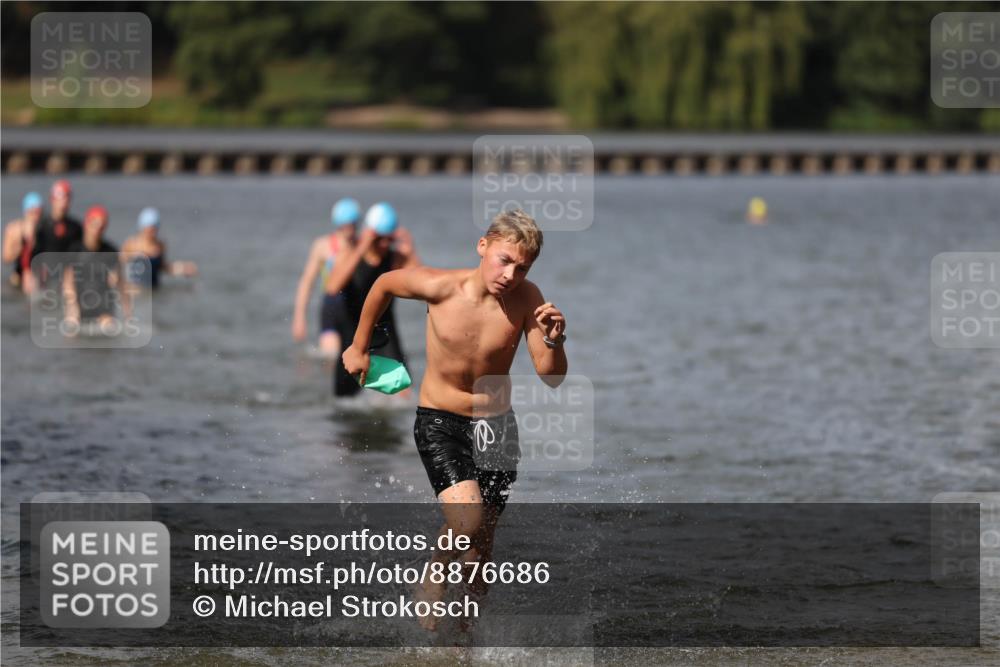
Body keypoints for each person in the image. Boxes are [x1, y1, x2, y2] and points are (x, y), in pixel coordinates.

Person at [341, 209, 568, 630]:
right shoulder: (441, 287)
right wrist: (360, 346)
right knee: (467, 522)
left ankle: (462, 643)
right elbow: (384, 284)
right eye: (504, 260)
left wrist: (554, 338)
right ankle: (434, 571)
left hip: (497, 428)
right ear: (483, 247)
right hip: (441, 421)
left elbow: (551, 377)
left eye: (523, 267)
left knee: (481, 551)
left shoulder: (528, 299)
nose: (510, 274)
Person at [325, 202, 420, 397]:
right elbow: (332, 288)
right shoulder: (350, 254)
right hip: (352, 331)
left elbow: (422, 290)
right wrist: (361, 248)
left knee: (404, 390)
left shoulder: (395, 257)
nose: (385, 245)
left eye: (389, 239)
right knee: (345, 399)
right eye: (379, 239)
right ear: (370, 235)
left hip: (384, 330)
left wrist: (411, 253)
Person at [292, 198, 361, 358]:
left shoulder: (363, 245)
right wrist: (299, 317)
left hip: (356, 307)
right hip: (332, 307)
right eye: (346, 225)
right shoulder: (323, 246)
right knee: (331, 359)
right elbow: (307, 282)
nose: (349, 230)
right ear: (338, 224)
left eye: (352, 225)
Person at [61, 206, 123, 335]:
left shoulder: (111, 251)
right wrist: (72, 305)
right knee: (71, 331)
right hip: (78, 302)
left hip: (103, 305)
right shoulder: (74, 249)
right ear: (87, 224)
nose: (97, 230)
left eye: (101, 226)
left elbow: (120, 282)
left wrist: (128, 313)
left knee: (110, 330)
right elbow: (67, 281)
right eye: (95, 225)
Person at [121, 207, 198, 289]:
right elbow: (119, 264)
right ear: (142, 228)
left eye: (155, 229)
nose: (152, 233)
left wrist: (183, 269)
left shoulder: (160, 245)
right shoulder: (131, 244)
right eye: (150, 230)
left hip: (154, 289)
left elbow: (163, 267)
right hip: (135, 290)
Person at [31, 180, 83, 287]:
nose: (63, 202)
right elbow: (34, 253)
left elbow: (80, 255)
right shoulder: (41, 225)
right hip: (45, 278)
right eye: (60, 198)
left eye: (67, 198)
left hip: (69, 279)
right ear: (52, 199)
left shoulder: (76, 227)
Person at [3, 192, 43, 293]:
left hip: (39, 278)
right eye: (32, 212)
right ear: (26, 211)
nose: (35, 216)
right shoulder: (14, 229)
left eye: (38, 212)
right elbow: (6, 258)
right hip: (18, 277)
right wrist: (20, 247)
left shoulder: (45, 229)